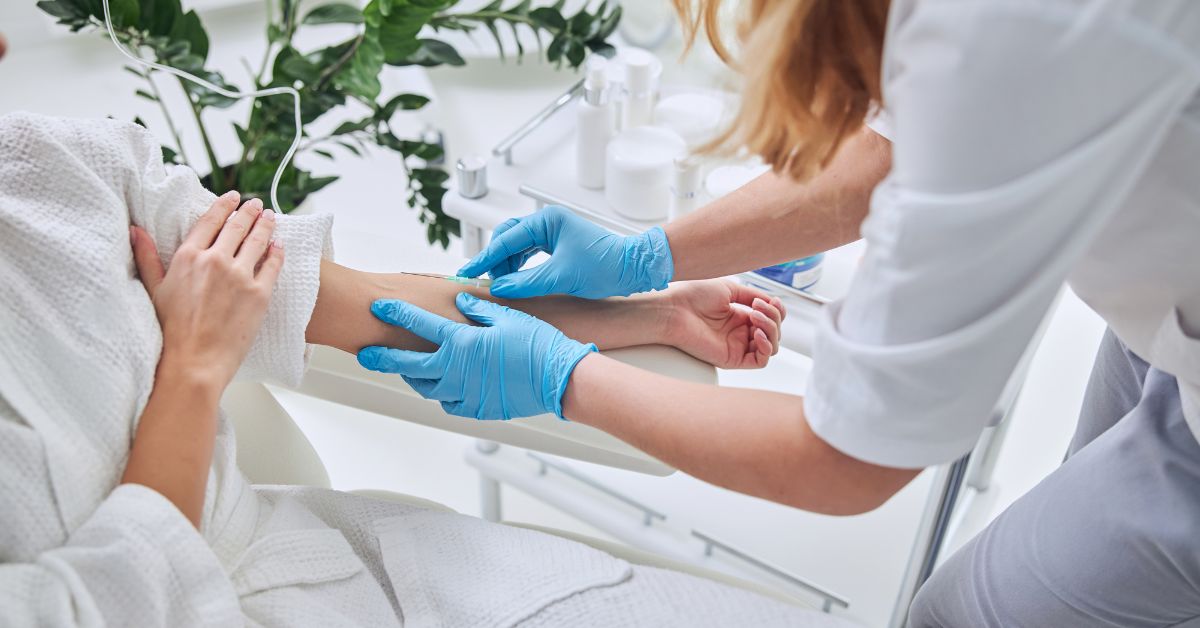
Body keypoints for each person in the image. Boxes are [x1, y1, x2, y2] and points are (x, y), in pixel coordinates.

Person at [356, 0, 1200, 625]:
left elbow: (850, 461)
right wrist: (650, 258)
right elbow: (892, 153)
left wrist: (563, 377)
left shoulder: (1015, 37)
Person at [0, 109, 851, 626]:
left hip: (339, 566)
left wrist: (646, 301)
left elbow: (345, 299)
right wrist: (190, 368)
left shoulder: (51, 163)